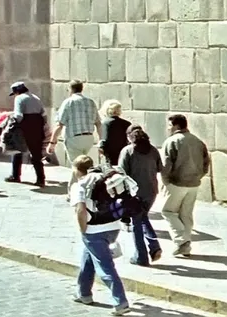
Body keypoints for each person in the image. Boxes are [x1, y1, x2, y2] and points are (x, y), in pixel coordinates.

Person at [69, 154, 134, 315]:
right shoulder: (104, 178)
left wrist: (83, 230)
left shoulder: (80, 185)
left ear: (77, 170)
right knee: (88, 257)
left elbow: (80, 210)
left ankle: (120, 302)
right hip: (113, 226)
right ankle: (83, 293)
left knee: (105, 267)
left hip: (94, 230)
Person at [159, 113, 210, 257]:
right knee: (186, 214)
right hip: (194, 183)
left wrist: (165, 182)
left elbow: (166, 165)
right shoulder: (198, 141)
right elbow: (206, 163)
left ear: (175, 126)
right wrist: (199, 176)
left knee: (168, 211)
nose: (167, 128)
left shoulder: (172, 141)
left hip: (177, 182)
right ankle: (185, 245)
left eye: (169, 125)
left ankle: (182, 241)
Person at [117, 126, 163, 266]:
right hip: (151, 191)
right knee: (142, 218)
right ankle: (153, 247)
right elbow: (160, 168)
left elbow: (121, 173)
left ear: (130, 137)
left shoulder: (128, 151)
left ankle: (142, 256)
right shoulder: (153, 150)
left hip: (134, 193)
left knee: (137, 224)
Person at [4, 82, 47, 187]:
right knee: (36, 154)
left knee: (17, 150)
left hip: (24, 128)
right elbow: (44, 115)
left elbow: (18, 116)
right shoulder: (36, 98)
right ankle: (41, 179)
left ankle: (15, 176)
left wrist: (10, 119)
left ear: (17, 91)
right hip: (37, 128)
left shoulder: (19, 98)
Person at [51, 81, 100, 167]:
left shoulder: (68, 102)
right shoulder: (90, 102)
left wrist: (52, 142)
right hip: (89, 138)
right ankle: (79, 180)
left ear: (71, 89)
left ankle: (84, 180)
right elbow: (98, 123)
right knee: (81, 165)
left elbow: (60, 124)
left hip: (74, 138)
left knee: (77, 166)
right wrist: (101, 140)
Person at [99, 100, 131, 168]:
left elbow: (105, 138)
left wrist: (101, 148)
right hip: (123, 151)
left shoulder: (105, 122)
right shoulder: (127, 123)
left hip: (110, 152)